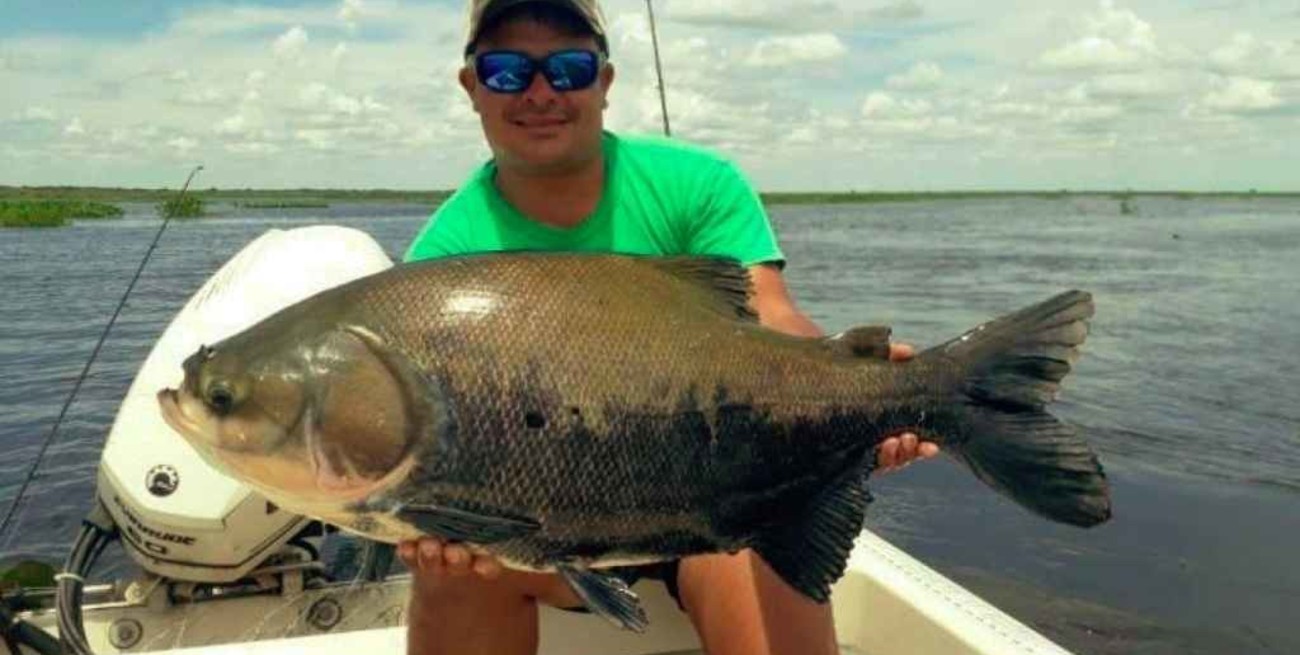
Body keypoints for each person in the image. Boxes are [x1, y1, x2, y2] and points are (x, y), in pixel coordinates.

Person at [396, 1, 938, 653]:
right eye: (509, 71)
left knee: (772, 532)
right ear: (472, 86)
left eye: (568, 67)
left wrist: (859, 394)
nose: (541, 93)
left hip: (706, 501)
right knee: (452, 577)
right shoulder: (443, 260)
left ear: (604, 80)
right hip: (536, 523)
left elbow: (769, 315)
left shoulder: (696, 183)